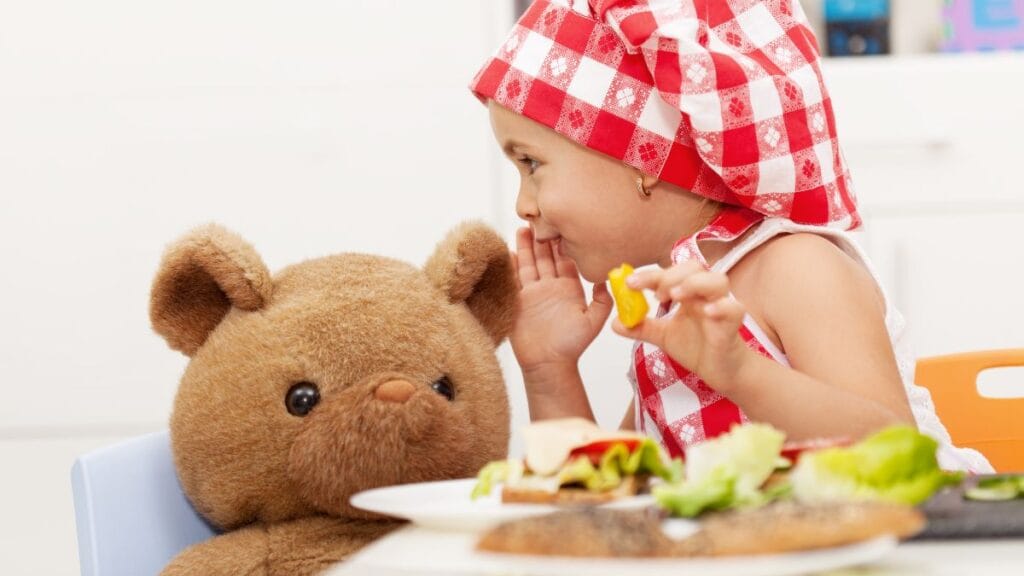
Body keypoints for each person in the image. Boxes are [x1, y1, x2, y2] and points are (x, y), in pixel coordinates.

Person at [469, 0, 991, 472]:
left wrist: (741, 372)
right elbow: (611, 499)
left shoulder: (794, 267)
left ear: (643, 157)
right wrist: (549, 368)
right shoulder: (683, 310)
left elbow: (894, 455)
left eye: (531, 163)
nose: (523, 205)